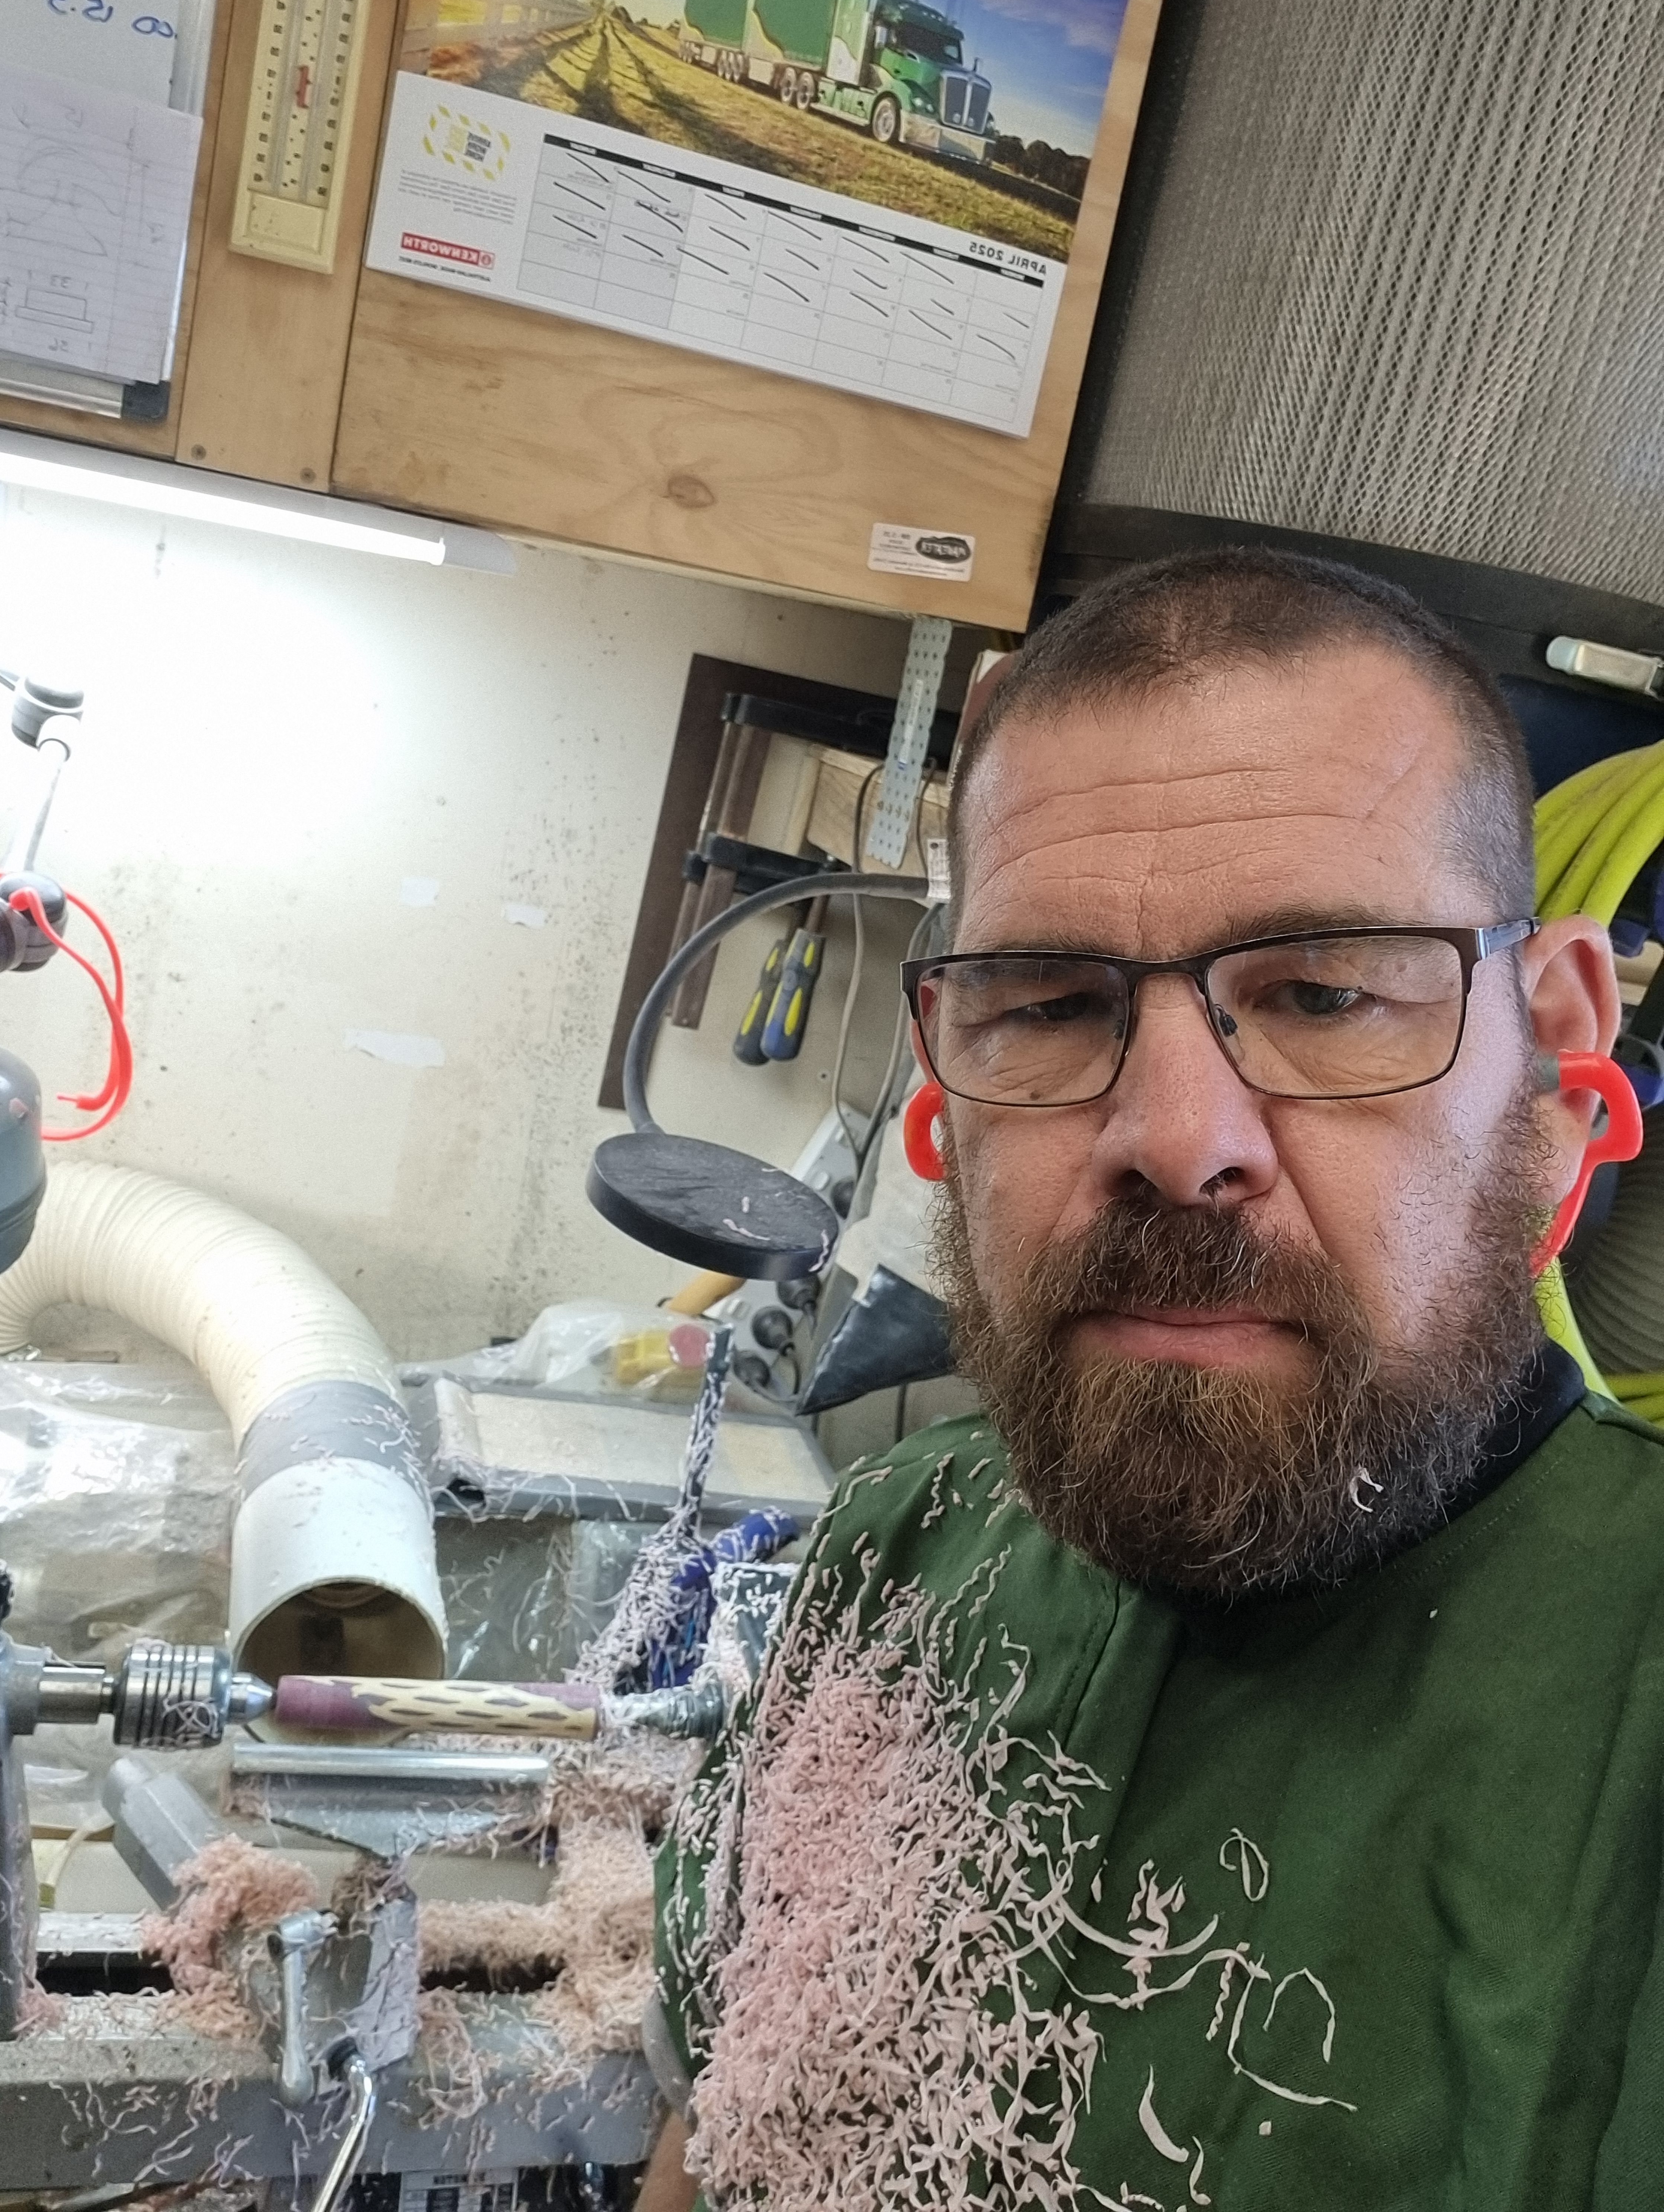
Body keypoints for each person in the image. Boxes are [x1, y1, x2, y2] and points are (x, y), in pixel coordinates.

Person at [640, 547, 1664, 2212]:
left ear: (1553, 1053)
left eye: (1327, 991)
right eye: (1046, 1004)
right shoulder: (895, 1556)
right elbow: (717, 2132)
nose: (1179, 1142)